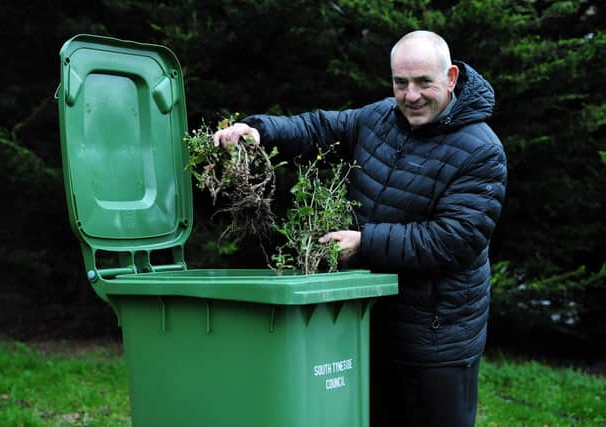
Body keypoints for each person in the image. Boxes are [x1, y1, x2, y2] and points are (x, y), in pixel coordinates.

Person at [213, 30, 507, 427]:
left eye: (424, 82)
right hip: (369, 325)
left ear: (451, 77)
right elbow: (317, 128)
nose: (411, 95)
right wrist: (259, 131)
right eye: (400, 83)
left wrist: (365, 243)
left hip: (437, 342)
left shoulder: (481, 150)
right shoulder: (379, 117)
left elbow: (453, 240)